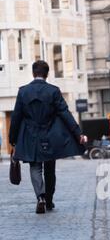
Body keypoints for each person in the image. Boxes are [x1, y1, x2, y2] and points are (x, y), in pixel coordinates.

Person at [9, 60, 87, 214]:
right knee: (50, 169)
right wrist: (78, 133)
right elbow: (65, 113)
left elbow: (16, 117)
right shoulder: (53, 91)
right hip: (50, 135)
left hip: (31, 137)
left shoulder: (23, 92)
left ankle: (41, 198)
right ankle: (49, 200)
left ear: (33, 73)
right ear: (47, 74)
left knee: (35, 167)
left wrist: (13, 138)